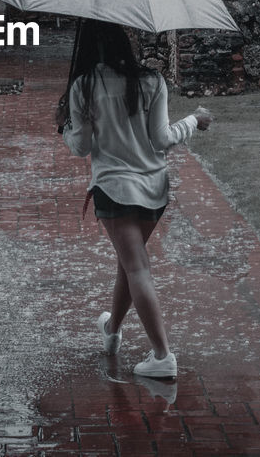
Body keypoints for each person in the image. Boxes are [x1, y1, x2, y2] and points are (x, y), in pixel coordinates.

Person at [55, 20, 213, 379]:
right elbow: (161, 139)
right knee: (129, 265)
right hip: (154, 190)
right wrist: (193, 120)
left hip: (115, 190)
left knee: (136, 268)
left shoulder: (85, 85)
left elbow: (80, 147)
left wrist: (64, 128)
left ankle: (162, 356)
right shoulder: (152, 81)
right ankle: (111, 332)